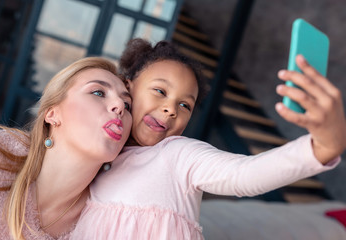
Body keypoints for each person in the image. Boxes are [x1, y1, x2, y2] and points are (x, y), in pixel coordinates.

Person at [70, 38, 346, 240]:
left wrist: (322, 148)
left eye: (184, 106)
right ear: (127, 88)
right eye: (159, 91)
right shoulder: (100, 158)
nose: (170, 109)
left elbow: (243, 175)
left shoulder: (177, 155)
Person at [0, 57, 132, 239]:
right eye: (98, 93)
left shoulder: (110, 221)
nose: (119, 106)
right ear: (52, 113)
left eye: (127, 105)